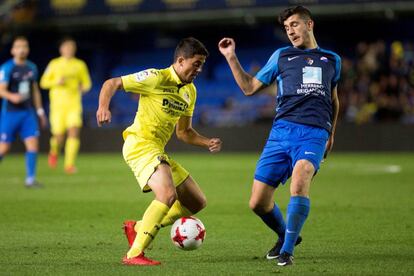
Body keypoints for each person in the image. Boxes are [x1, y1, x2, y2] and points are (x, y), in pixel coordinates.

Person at [218, 6, 340, 266]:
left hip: (314, 132)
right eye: (287, 28)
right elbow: (250, 88)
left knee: (301, 177)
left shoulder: (332, 59)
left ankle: (286, 252)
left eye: (295, 24)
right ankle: (288, 236)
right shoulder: (281, 56)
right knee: (258, 202)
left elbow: (334, 100)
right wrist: (230, 57)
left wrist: (331, 133)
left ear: (310, 24)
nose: (290, 31)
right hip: (281, 132)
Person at [96, 37, 222, 266]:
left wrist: (206, 142)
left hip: (157, 150)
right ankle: (134, 255)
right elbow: (111, 83)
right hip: (140, 144)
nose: (199, 69)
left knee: (196, 202)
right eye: (196, 63)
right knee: (167, 195)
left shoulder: (190, 92)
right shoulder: (156, 77)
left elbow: (184, 132)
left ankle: (138, 227)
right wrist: (103, 107)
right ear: (181, 60)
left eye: (202, 65)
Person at [0, 36, 48, 187]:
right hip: (10, 113)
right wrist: (11, 96)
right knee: (4, 147)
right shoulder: (7, 68)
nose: (22, 49)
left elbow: (35, 91)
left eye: (25, 46)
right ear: (13, 50)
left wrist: (40, 111)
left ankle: (30, 179)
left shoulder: (31, 67)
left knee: (33, 144)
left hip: (27, 113)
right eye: (19, 46)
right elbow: (1, 90)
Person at [40, 37, 91, 174]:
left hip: (74, 104)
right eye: (66, 47)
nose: (69, 50)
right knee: (58, 136)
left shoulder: (80, 65)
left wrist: (83, 88)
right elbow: (43, 82)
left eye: (71, 48)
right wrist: (56, 82)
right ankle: (54, 152)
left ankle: (69, 165)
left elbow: (87, 83)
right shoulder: (54, 64)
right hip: (57, 106)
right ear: (61, 49)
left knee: (74, 131)